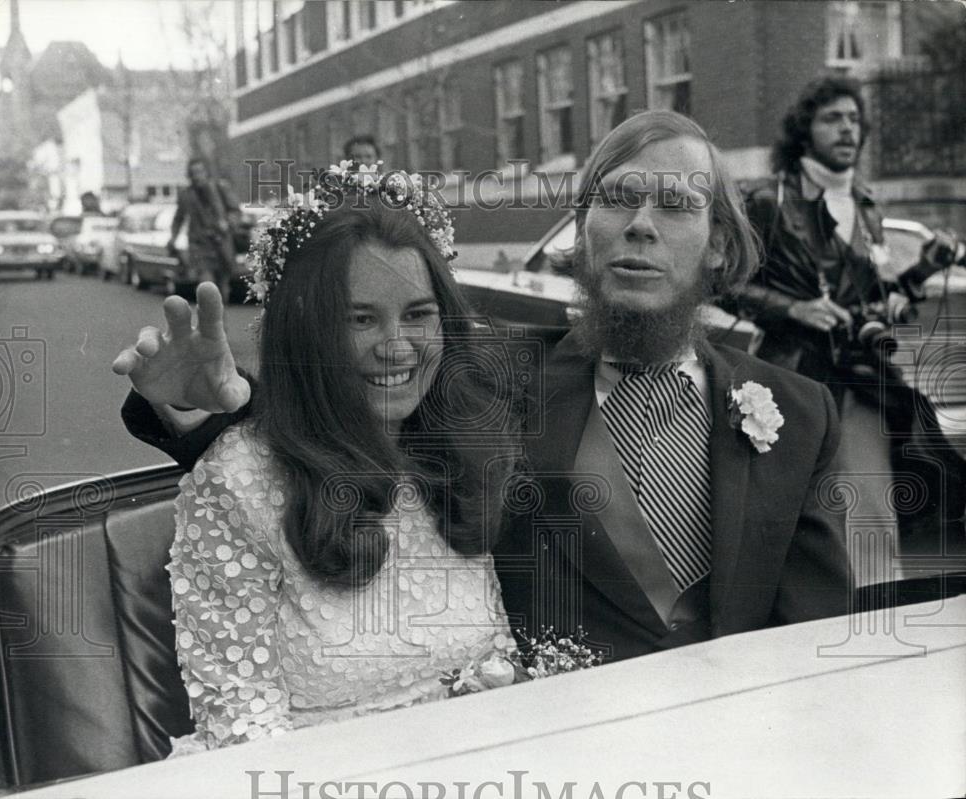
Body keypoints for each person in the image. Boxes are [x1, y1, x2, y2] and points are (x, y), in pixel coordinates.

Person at [115, 112, 850, 674]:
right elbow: (332, 420)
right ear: (582, 230)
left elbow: (818, 643)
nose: (641, 226)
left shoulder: (803, 415)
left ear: (720, 243)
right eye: (618, 200)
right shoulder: (483, 383)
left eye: (676, 206)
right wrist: (218, 401)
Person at [116, 168, 516, 751]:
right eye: (360, 319)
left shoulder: (457, 449)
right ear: (308, 331)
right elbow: (242, 724)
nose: (398, 346)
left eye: (418, 314)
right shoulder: (238, 481)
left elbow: (494, 657)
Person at [730, 76, 963, 586]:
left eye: (854, 119)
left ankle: (873, 621)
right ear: (804, 130)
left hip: (858, 380)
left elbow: (875, 301)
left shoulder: (866, 204)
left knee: (871, 510)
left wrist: (923, 270)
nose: (847, 129)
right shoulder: (767, 200)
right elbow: (723, 284)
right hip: (788, 378)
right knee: (788, 516)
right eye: (832, 118)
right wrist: (795, 310)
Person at [170, 157, 241, 304]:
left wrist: (228, 223)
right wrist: (173, 237)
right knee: (207, 288)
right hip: (200, 247)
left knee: (222, 290)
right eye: (193, 173)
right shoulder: (186, 194)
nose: (197, 176)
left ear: (207, 172)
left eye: (200, 171)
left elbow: (235, 210)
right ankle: (212, 324)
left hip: (221, 245)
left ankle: (219, 325)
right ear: (189, 175)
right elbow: (178, 218)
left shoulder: (220, 188)